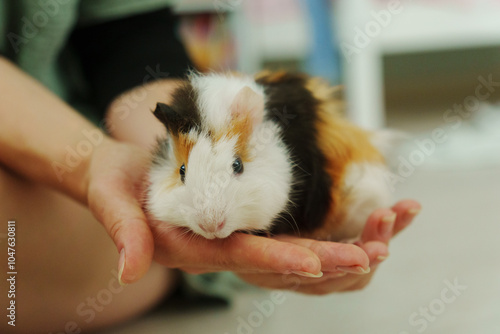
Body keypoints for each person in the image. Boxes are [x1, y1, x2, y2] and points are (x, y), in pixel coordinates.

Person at [0, 2, 421, 333]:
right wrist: (92, 167)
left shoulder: (278, 139)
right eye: (182, 173)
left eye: (237, 166)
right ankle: (173, 270)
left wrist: (98, 162)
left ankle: (173, 265)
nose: (210, 218)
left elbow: (128, 46)